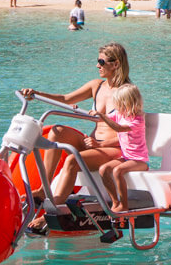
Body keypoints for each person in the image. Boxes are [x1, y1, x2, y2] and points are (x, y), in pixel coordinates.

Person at [22, 43, 131, 234]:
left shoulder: (127, 92)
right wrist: (36, 94)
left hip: (114, 148)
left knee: (73, 159)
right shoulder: (96, 85)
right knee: (56, 131)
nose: (97, 65)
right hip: (93, 144)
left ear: (115, 64)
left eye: (101, 61)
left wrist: (101, 144)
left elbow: (130, 131)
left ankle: (52, 212)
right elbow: (65, 99)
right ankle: (42, 189)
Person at [91, 84, 149, 214]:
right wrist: (84, 114)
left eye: (119, 104)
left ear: (128, 103)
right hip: (126, 157)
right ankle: (115, 202)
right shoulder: (120, 115)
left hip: (140, 161)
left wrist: (103, 115)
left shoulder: (138, 120)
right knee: (104, 169)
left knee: (117, 171)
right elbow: (102, 119)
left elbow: (118, 128)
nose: (117, 108)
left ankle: (124, 205)